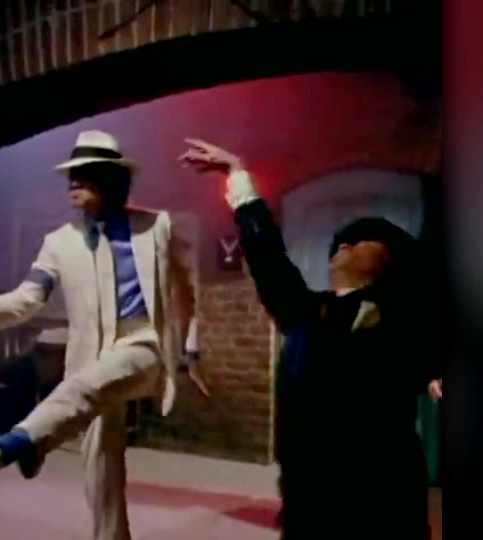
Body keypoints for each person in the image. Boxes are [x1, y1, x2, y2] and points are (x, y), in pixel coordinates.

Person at [0, 130, 206, 540]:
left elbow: (185, 291)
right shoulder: (59, 243)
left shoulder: (157, 227)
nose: (72, 182)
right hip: (90, 358)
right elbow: (28, 298)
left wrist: (189, 352)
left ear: (110, 179)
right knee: (101, 471)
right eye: (70, 174)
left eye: (84, 173)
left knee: (83, 389)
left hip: (144, 345)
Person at [180, 138, 441, 539]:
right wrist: (239, 178)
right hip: (310, 497)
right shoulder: (306, 313)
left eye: (363, 239)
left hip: (382, 500)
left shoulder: (402, 319)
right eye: (341, 241)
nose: (345, 244)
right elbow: (268, 259)